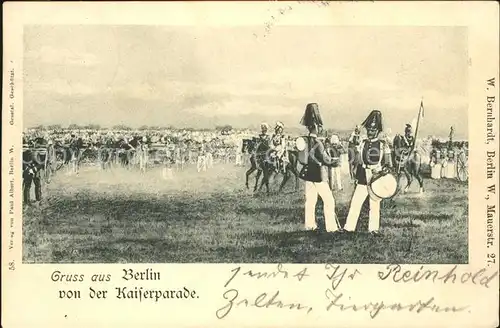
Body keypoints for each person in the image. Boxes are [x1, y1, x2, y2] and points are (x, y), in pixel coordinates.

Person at [343, 110, 392, 235]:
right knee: (356, 202)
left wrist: (381, 171)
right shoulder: (363, 142)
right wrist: (356, 132)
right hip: (363, 175)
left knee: (374, 204)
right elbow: (352, 145)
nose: (370, 132)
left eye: (373, 130)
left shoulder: (383, 145)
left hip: (377, 177)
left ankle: (373, 229)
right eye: (369, 129)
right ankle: (349, 228)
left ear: (378, 131)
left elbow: (388, 165)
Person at [298, 103, 341, 233]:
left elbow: (302, 159)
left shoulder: (304, 140)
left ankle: (310, 225)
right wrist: (335, 161)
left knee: (310, 200)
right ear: (316, 126)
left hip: (307, 174)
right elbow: (326, 160)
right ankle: (332, 228)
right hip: (318, 174)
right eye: (319, 126)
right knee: (329, 200)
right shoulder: (318, 143)